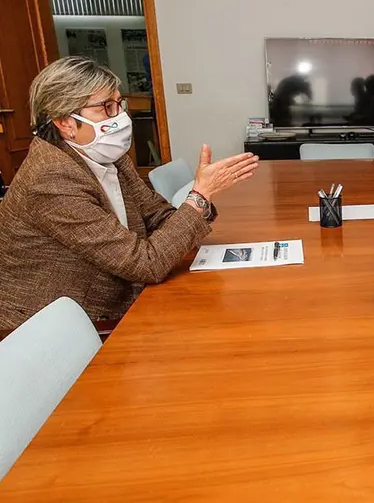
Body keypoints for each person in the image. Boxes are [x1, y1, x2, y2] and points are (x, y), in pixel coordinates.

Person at [0, 56, 260, 332]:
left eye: (118, 103)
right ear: (65, 123)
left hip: (124, 298)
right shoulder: (51, 179)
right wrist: (200, 195)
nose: (121, 117)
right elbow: (147, 264)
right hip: (61, 330)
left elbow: (158, 215)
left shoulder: (108, 157)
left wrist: (200, 201)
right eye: (106, 108)